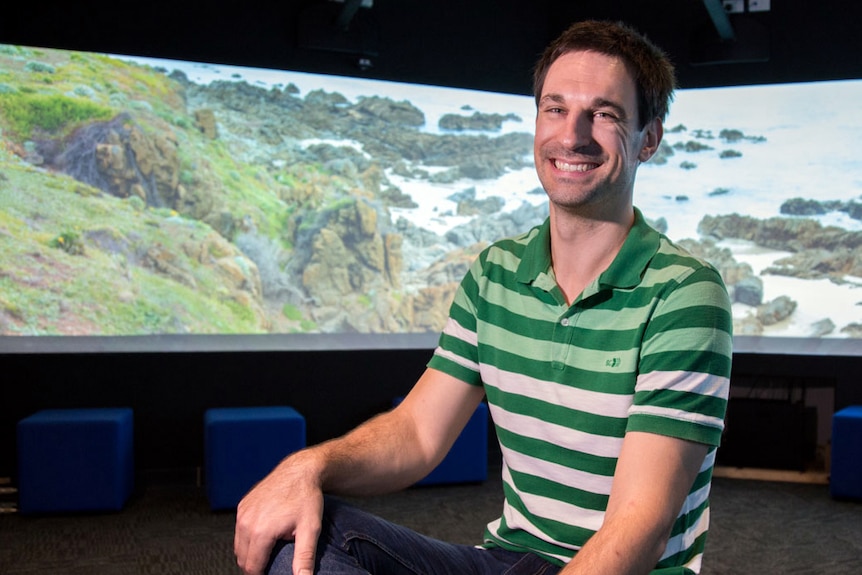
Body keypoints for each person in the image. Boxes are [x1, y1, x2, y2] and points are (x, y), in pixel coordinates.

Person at [234, 19, 732, 575]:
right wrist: (308, 468)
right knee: (298, 532)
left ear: (649, 140)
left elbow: (638, 525)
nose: (572, 135)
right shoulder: (496, 272)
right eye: (555, 108)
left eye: (605, 114)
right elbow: (417, 435)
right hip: (509, 561)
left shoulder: (686, 293)